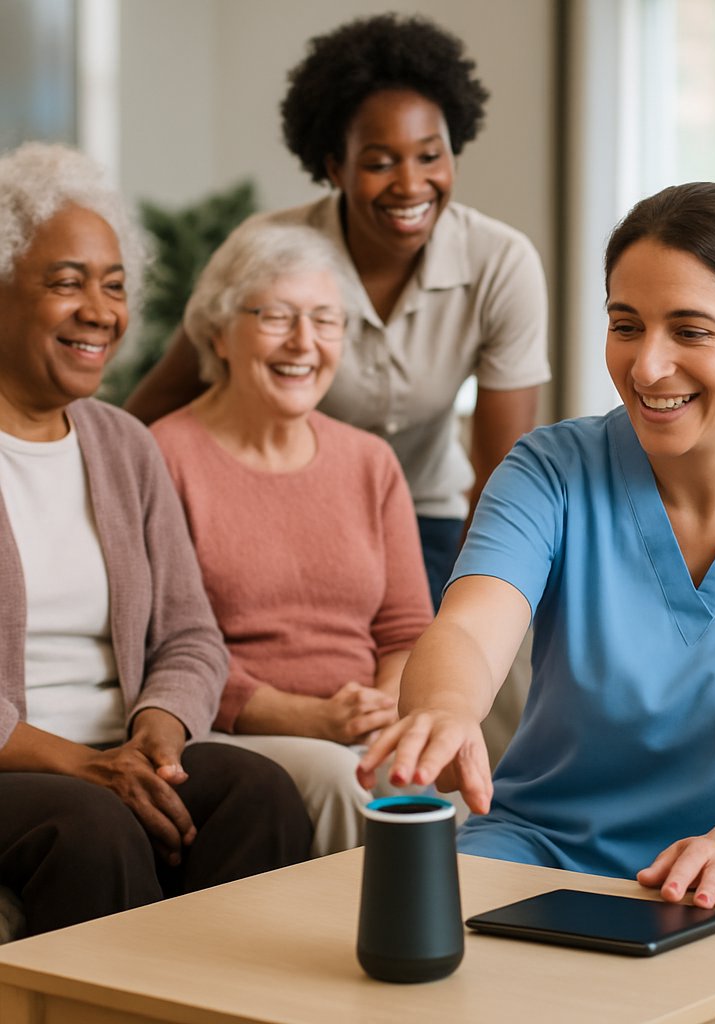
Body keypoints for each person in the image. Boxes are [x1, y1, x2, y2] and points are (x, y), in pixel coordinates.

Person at [357, 182, 715, 910]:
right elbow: (471, 627)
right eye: (626, 326)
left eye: (690, 331)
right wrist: (445, 708)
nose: (647, 367)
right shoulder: (550, 471)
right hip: (540, 850)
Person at [124, 13, 551, 609]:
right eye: (379, 162)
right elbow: (161, 401)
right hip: (284, 506)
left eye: (430, 156)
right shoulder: (269, 252)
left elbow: (503, 479)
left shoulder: (501, 263)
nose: (411, 185)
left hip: (429, 517)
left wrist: (459, 613)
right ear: (334, 167)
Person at [0, 142, 312, 938]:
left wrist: (158, 736)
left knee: (258, 791)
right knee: (91, 826)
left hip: (120, 751)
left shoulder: (123, 445)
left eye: (114, 286)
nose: (101, 311)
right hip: (25, 770)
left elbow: (189, 634)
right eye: (66, 283)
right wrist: (83, 764)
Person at [150, 221, 434, 857]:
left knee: (438, 776)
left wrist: (381, 705)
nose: (304, 342)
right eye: (277, 316)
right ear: (219, 332)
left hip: (359, 722)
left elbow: (407, 631)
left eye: (326, 320)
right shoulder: (164, 457)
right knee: (341, 780)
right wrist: (310, 719)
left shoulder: (370, 461)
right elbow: (163, 646)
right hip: (229, 730)